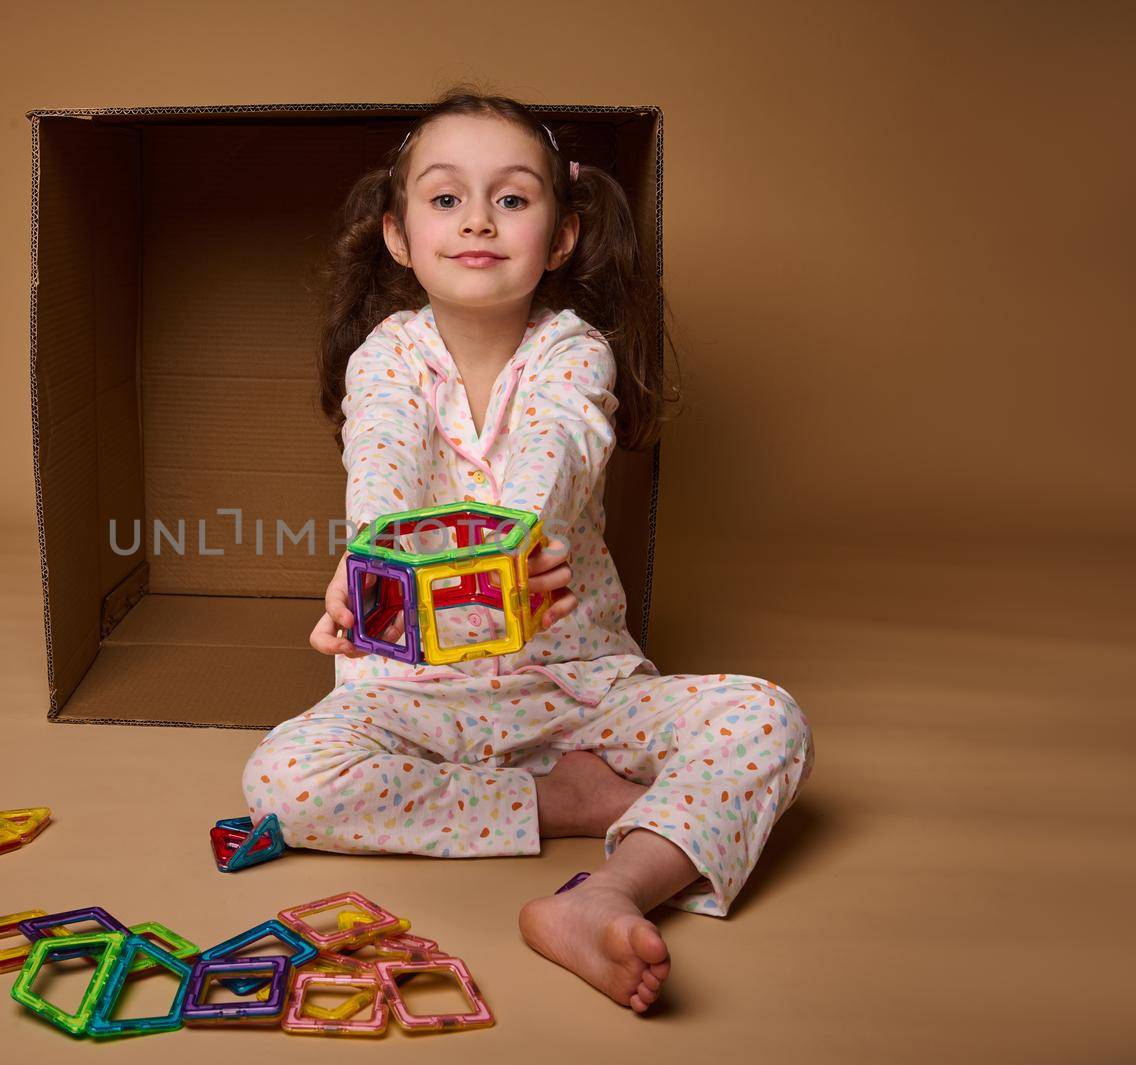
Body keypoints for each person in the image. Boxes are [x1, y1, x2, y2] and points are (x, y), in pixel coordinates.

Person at [240, 88, 815, 1015]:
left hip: (579, 687)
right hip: (422, 699)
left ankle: (611, 893)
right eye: (444, 199)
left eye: (510, 199)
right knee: (280, 780)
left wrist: (522, 546)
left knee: (768, 718)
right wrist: (366, 564)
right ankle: (575, 804)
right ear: (397, 235)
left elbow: (559, 444)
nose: (477, 219)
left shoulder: (571, 350)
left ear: (560, 239)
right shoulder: (386, 357)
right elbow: (381, 459)